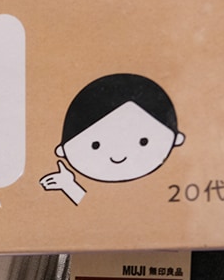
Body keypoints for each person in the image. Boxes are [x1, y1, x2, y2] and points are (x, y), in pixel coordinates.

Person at [40, 73, 185, 205]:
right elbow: (90, 208)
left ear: (176, 139)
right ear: (63, 150)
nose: (118, 155)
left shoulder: (168, 188)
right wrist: (69, 185)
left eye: (143, 141)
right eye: (95, 145)